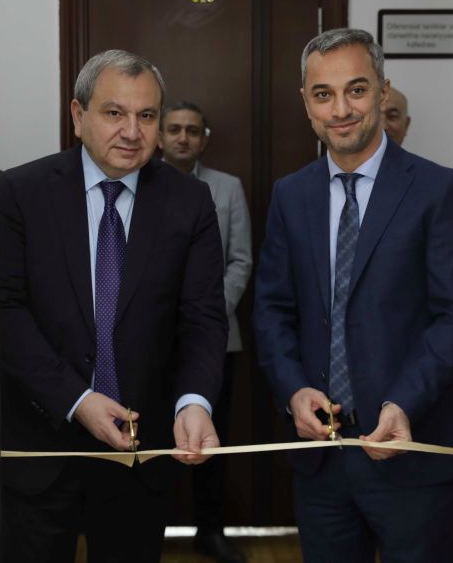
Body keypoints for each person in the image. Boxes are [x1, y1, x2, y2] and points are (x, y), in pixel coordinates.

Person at [0, 50, 228, 562]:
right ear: (78, 116)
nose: (132, 131)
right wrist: (76, 399)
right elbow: (5, 312)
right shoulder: (19, 193)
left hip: (139, 456)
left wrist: (194, 401)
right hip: (41, 451)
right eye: (114, 113)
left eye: (146, 115)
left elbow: (203, 319)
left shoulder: (189, 201)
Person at [253, 28, 453, 563]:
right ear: (306, 103)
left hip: (410, 448)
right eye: (323, 94)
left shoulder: (439, 189)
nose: (340, 109)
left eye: (356, 89)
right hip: (320, 458)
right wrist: (293, 389)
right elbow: (272, 309)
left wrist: (403, 402)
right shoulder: (290, 195)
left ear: (382, 90)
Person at [159, 101, 252, 563]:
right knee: (152, 439)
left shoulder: (227, 188)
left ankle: (210, 530)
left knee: (211, 441)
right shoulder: (139, 182)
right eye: (174, 129)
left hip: (215, 342)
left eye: (192, 130)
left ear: (204, 139)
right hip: (151, 342)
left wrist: (207, 313)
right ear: (160, 136)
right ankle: (148, 531)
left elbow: (241, 260)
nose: (183, 137)